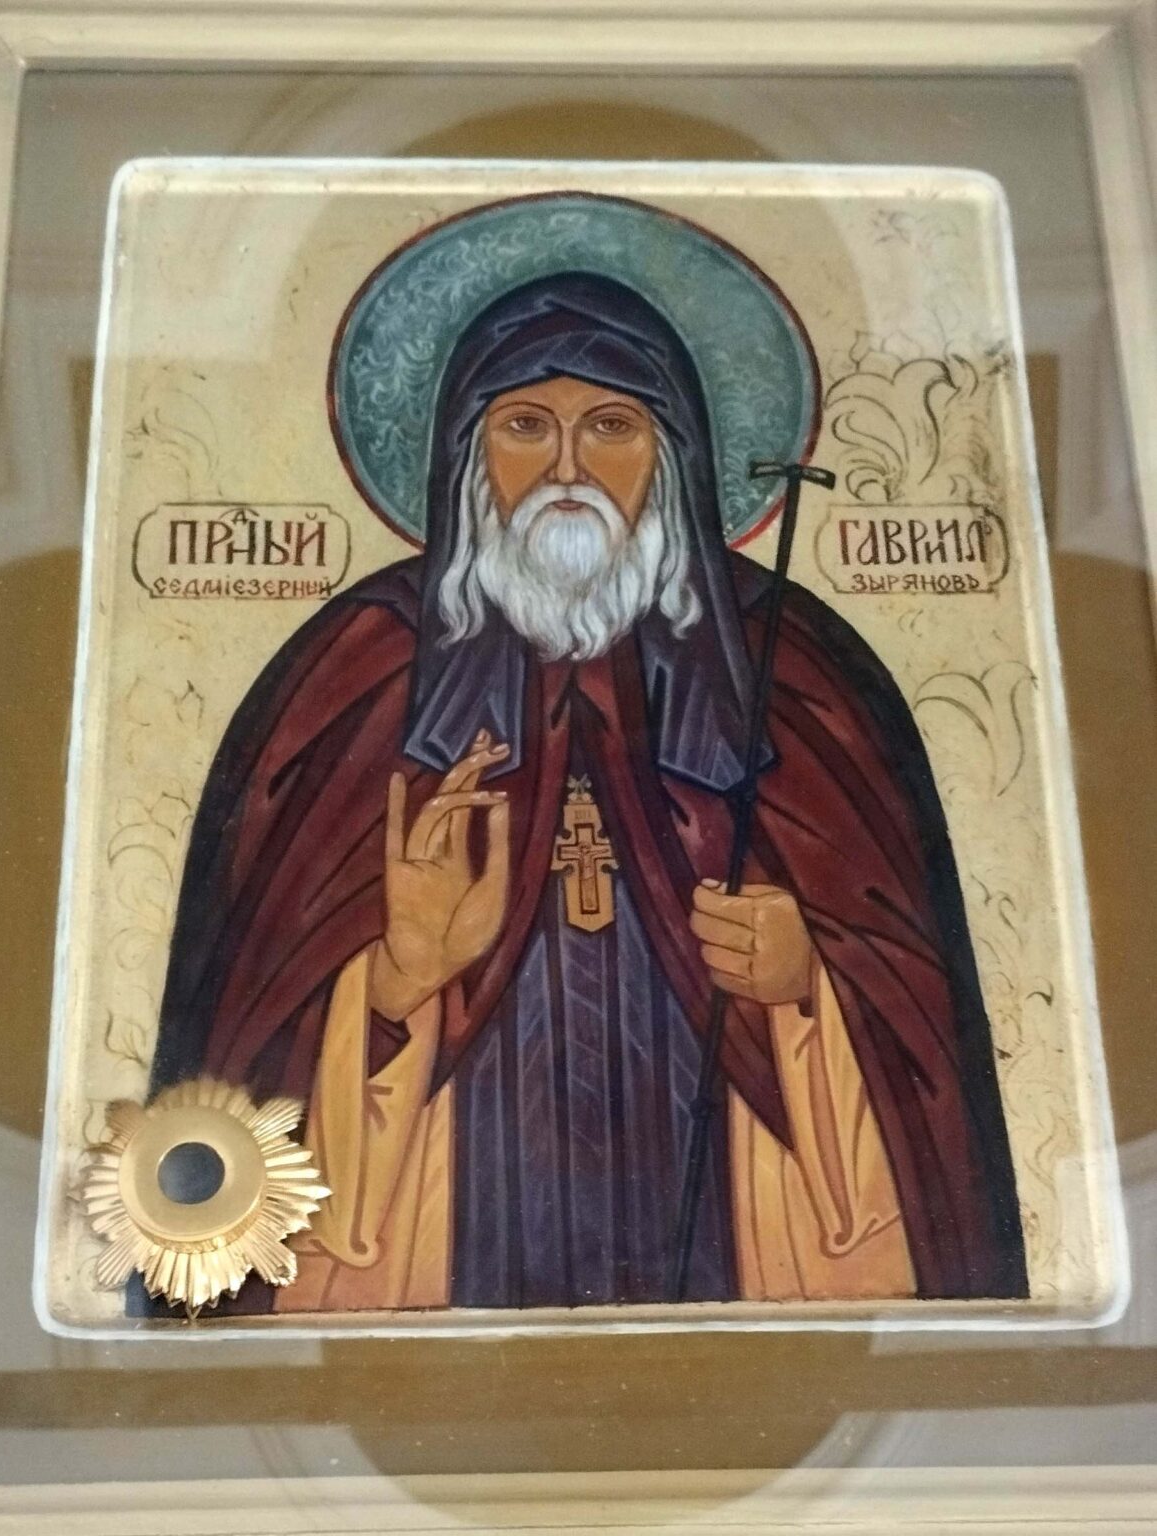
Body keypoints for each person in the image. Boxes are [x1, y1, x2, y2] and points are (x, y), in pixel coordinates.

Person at [143, 271, 1028, 1312]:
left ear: (673, 453)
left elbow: (922, 1036)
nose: (568, 468)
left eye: (611, 426)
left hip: (743, 1222)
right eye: (525, 426)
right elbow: (248, 1030)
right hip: (437, 1231)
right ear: (466, 457)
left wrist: (806, 985)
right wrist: (394, 980)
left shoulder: (785, 669)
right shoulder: (360, 670)